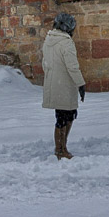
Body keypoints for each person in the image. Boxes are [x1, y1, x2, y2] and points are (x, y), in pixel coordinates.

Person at [42, 12, 86, 159]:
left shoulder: (49, 39)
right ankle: (61, 150)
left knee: (61, 116)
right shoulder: (66, 42)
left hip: (54, 84)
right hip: (65, 85)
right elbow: (72, 66)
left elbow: (45, 63)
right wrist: (81, 84)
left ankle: (60, 148)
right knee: (67, 117)